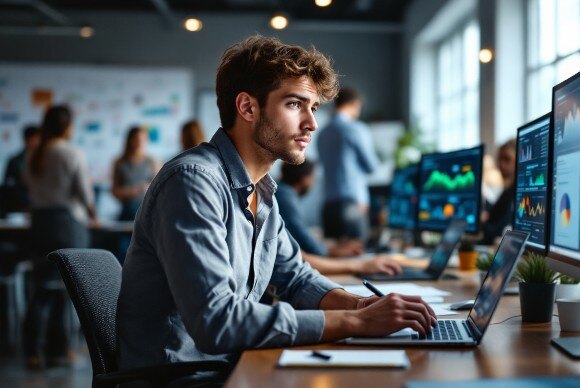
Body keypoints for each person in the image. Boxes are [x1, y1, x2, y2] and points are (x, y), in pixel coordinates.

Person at [117, 36, 436, 384]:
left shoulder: (262, 190)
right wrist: (358, 323)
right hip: (185, 377)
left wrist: (360, 306)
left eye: (313, 108)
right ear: (248, 108)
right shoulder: (193, 182)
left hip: (229, 366)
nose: (312, 124)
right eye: (296, 104)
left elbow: (296, 277)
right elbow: (217, 323)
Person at [23, 105, 97, 369]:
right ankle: (59, 350)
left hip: (40, 224)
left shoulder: (33, 152)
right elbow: (83, 193)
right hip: (66, 223)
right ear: (67, 126)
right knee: (66, 291)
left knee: (41, 289)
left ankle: (33, 351)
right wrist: (93, 215)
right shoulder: (70, 152)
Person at [276, 160, 403, 276]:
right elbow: (303, 249)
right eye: (312, 178)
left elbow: (295, 241)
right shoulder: (285, 194)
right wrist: (358, 264)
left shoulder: (282, 193)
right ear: (305, 178)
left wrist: (333, 247)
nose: (312, 183)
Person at [317, 87, 379, 241]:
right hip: (352, 204)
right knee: (356, 255)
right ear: (354, 104)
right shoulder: (355, 129)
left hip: (328, 205)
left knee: (334, 259)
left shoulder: (322, 134)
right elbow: (372, 166)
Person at [112, 126, 160, 221]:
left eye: (143, 139)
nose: (140, 142)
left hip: (149, 214)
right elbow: (115, 190)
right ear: (130, 140)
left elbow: (160, 188)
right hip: (128, 213)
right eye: (137, 139)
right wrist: (133, 191)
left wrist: (146, 188)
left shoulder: (153, 162)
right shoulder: (120, 162)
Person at [479, 139, 517, 244]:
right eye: (500, 159)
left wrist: (483, 222)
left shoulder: (515, 194)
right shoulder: (506, 192)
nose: (501, 165)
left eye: (507, 159)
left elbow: (497, 231)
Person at [2, 125, 40, 212]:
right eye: (35, 139)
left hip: (41, 205)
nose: (37, 142)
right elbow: (7, 184)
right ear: (27, 139)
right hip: (19, 205)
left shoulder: (46, 160)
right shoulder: (14, 161)